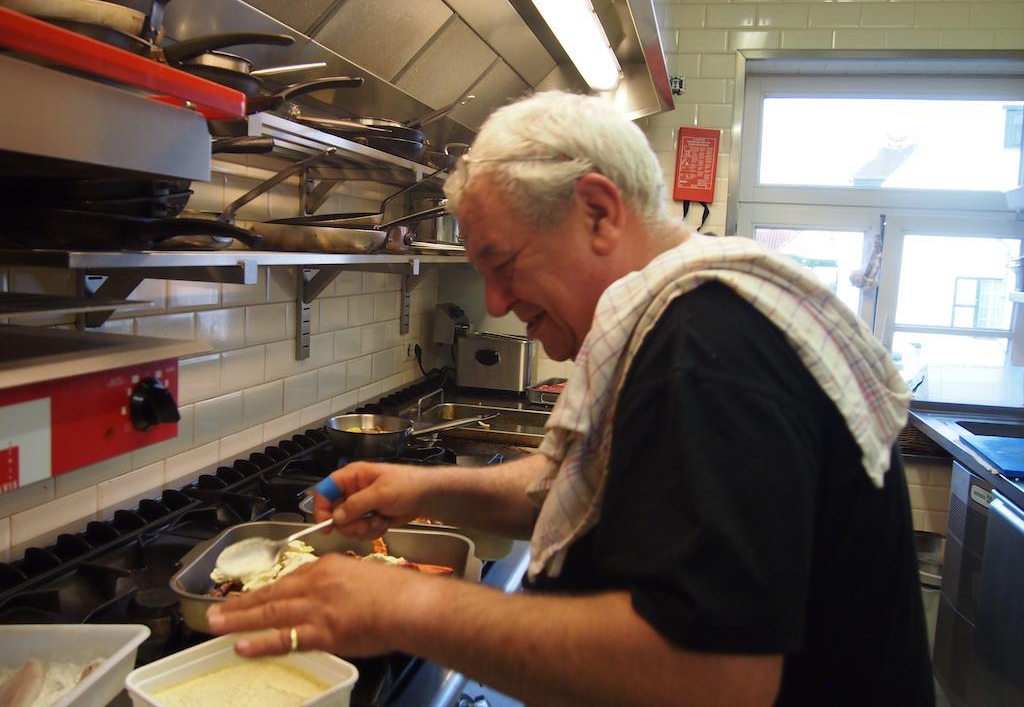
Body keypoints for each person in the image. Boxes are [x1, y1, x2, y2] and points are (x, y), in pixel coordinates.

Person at [208, 91, 935, 706]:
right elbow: (610, 489)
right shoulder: (684, 322)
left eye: (501, 261)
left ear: (598, 212)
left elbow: (714, 675)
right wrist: (430, 487)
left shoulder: (705, 346)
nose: (494, 299)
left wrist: (408, 605)